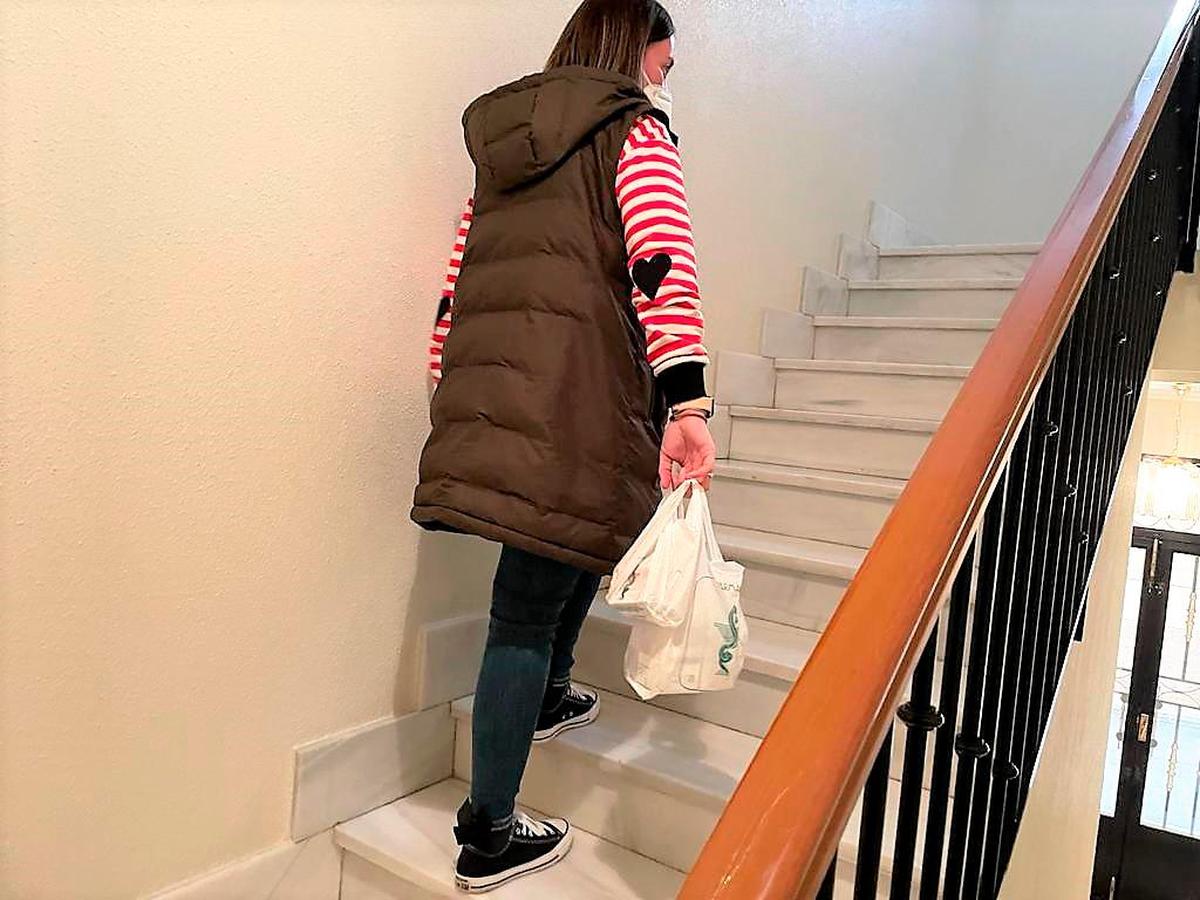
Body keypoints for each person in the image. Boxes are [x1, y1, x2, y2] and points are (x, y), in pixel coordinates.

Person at [411, 0, 715, 891]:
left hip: (500, 383)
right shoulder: (633, 128)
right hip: (578, 390)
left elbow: (462, 274)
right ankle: (489, 830)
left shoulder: (509, 147)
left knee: (579, 538)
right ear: (630, 50)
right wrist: (687, 397)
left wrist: (447, 380)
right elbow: (661, 259)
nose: (662, 82)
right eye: (662, 64)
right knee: (523, 604)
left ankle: (546, 693)